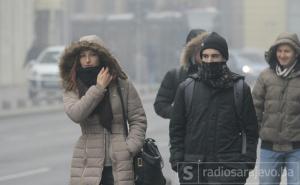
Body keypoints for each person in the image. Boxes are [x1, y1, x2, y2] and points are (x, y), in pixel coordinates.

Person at [169, 32, 259, 185]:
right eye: (206, 56)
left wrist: (247, 162)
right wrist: (177, 160)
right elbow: (177, 129)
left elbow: (251, 129)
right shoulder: (187, 88)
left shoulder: (240, 89)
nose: (210, 60)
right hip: (193, 170)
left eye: (215, 56)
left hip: (229, 169)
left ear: (224, 58)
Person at [59, 35, 147, 185]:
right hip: (87, 163)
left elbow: (138, 119)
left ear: (101, 57)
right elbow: (76, 114)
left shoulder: (121, 83)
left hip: (120, 164)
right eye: (82, 56)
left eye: (92, 55)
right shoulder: (72, 86)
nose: (87, 60)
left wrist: (129, 148)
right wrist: (99, 88)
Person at [252, 32, 300, 185]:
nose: (282, 55)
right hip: (269, 148)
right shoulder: (265, 76)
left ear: (296, 53)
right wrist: (257, 132)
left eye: (287, 51)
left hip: (297, 149)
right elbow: (255, 108)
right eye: (279, 51)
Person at [154, 29, 208, 119]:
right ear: (191, 51)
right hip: (185, 131)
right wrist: (179, 114)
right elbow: (160, 104)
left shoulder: (218, 74)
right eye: (200, 50)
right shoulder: (175, 75)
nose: (204, 53)